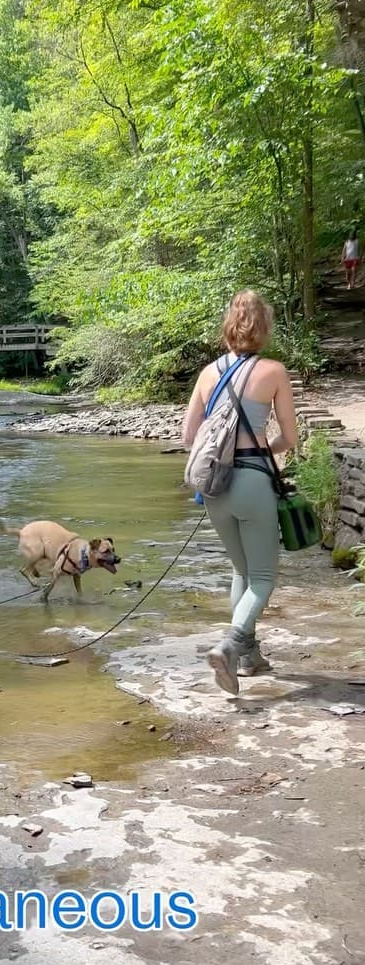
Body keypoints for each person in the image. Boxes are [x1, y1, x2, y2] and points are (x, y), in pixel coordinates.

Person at [181, 290, 298, 695]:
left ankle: (249, 658)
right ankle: (230, 646)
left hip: (214, 487)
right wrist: (261, 446)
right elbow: (290, 438)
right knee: (263, 576)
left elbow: (188, 436)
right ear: (263, 329)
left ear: (228, 327)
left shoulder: (208, 373)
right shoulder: (275, 371)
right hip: (252, 482)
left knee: (241, 571)